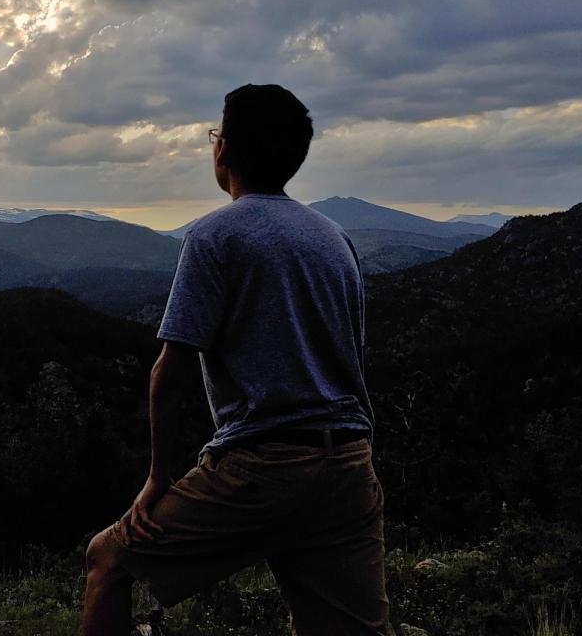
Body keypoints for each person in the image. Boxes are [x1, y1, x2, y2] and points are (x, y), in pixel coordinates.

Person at [81, 84, 394, 635]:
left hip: (264, 467)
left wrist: (158, 478)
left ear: (223, 150)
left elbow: (169, 372)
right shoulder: (334, 238)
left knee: (108, 560)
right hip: (348, 465)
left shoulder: (215, 234)